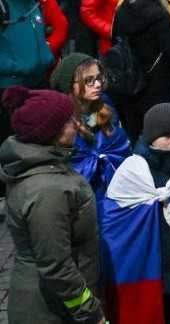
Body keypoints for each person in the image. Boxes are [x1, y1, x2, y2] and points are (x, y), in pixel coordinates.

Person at [101, 103, 170, 324]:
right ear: (152, 135)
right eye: (168, 135)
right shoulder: (130, 173)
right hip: (144, 271)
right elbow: (114, 227)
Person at [0, 85, 106, 324]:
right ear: (52, 133)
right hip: (48, 310)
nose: (76, 124)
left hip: (54, 304)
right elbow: (56, 265)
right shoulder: (47, 190)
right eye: (69, 121)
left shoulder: (46, 166)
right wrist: (91, 313)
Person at [110, 0, 170, 140]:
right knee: (156, 134)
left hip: (128, 81)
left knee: (133, 131)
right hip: (156, 84)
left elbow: (115, 39)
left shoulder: (123, 9)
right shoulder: (160, 16)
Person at [50, 53, 130, 199]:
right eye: (89, 81)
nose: (98, 84)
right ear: (70, 84)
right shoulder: (60, 120)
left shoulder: (105, 106)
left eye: (99, 78)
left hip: (112, 190)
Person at [0, 0, 55, 90]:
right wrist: (15, 66)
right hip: (11, 84)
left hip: (38, 79)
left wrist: (45, 55)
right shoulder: (2, 6)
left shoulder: (34, 2)